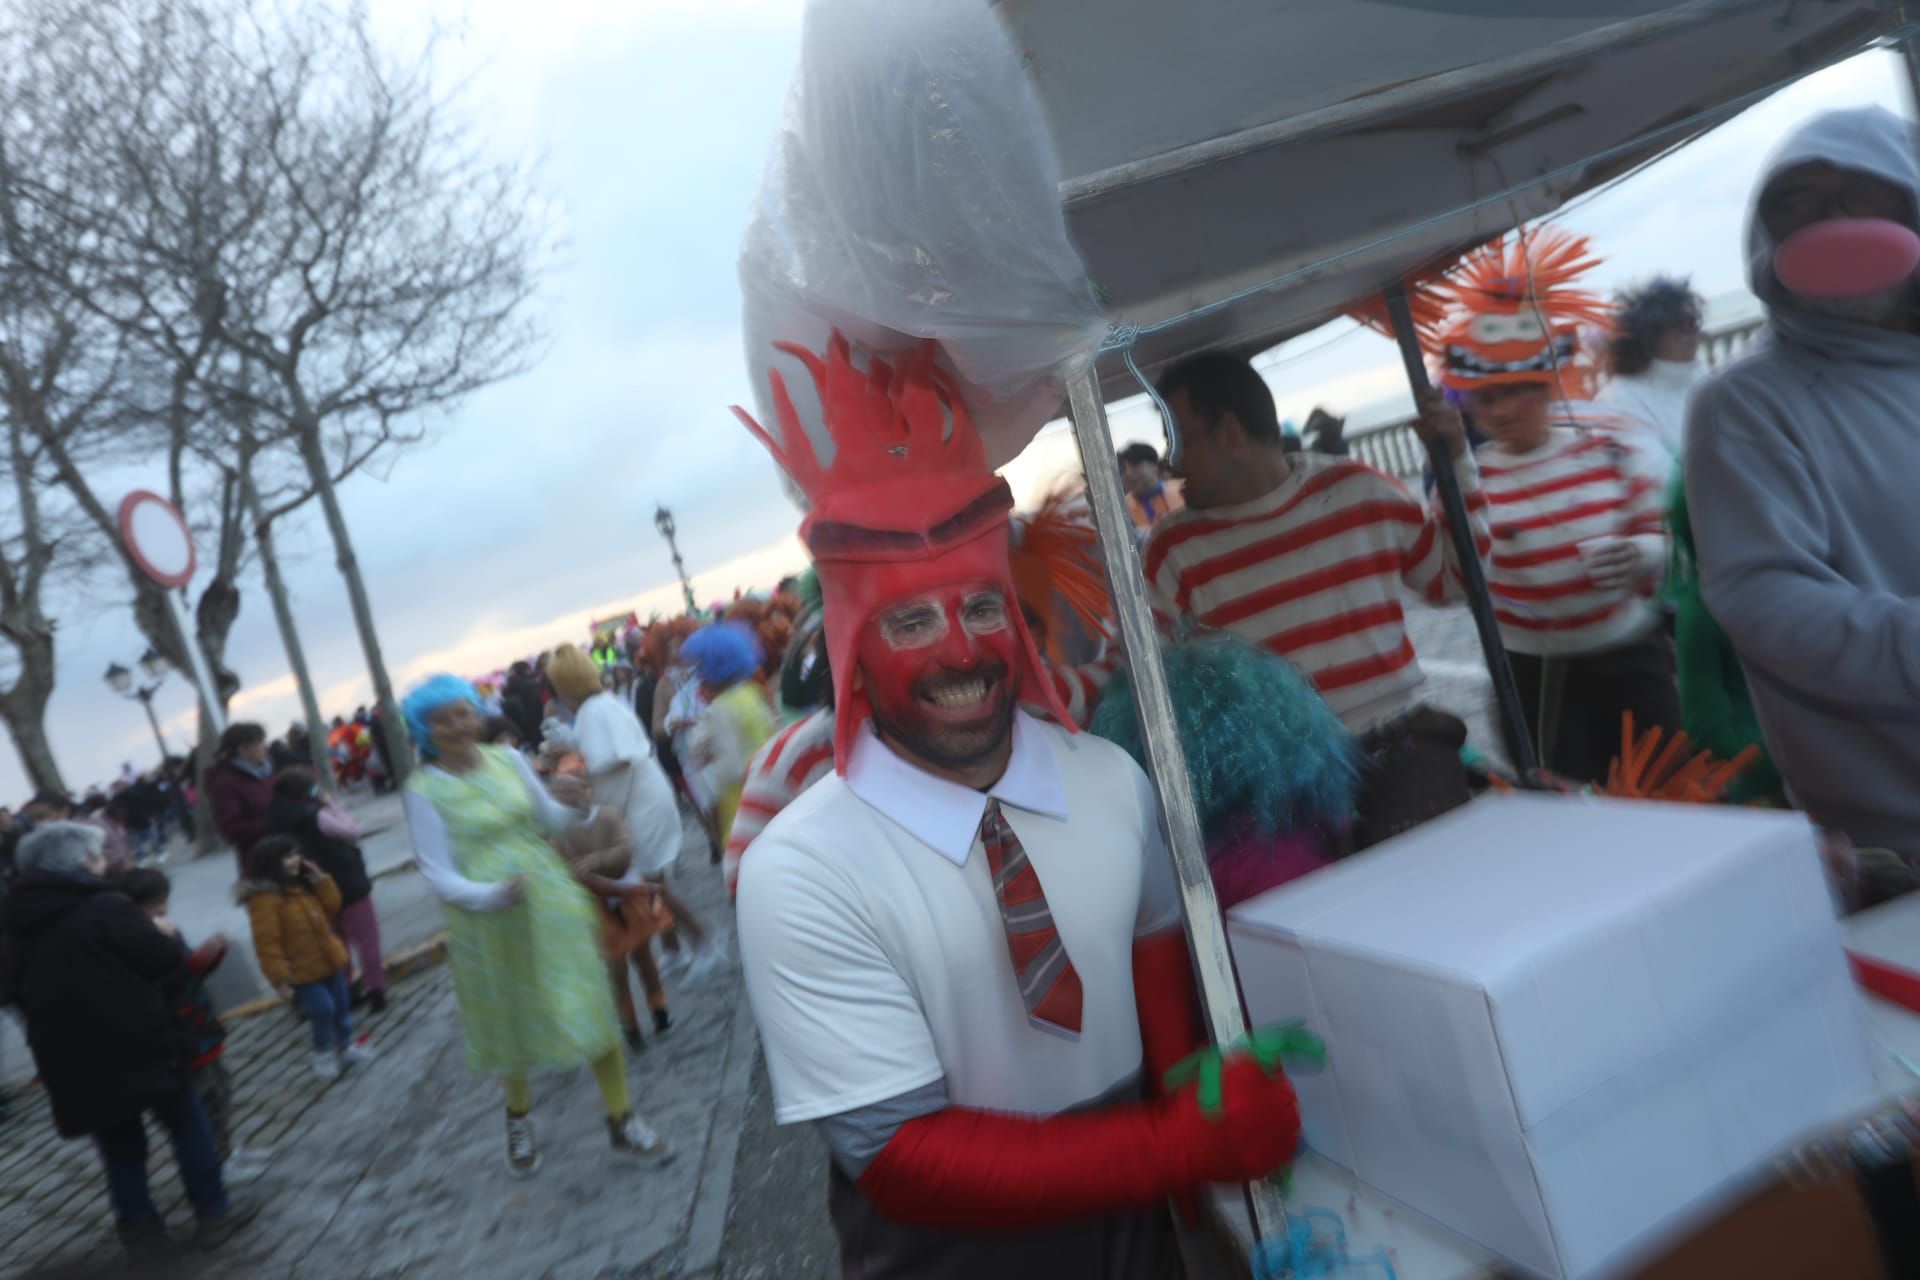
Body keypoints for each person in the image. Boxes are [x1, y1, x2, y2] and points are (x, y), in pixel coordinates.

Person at [732, 334, 1302, 1276]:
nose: (961, 652)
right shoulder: (800, 871)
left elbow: (1153, 938)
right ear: (852, 654)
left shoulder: (1111, 778)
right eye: (911, 621)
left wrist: (1188, 1091)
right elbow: (899, 1156)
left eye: (983, 609)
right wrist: (1180, 1147)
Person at [1686, 104, 1920, 866]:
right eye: (1800, 201)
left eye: (1862, 191)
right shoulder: (1744, 400)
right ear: (1768, 233)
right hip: (1896, 824)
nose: (1833, 217)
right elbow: (1763, 598)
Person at [1145, 350, 1484, 847]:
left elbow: (1456, 580)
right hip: (1272, 780)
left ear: (1229, 434)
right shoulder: (1169, 552)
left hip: (1398, 740)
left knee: (1424, 867)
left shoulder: (1359, 491)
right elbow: (1153, 680)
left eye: (1177, 440)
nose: (1168, 463)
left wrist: (1456, 460)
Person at [1435, 226, 1681, 785]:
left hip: (1630, 652)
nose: (1500, 407)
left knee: (1671, 784)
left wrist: (1643, 552)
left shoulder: (1608, 444)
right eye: (1485, 396)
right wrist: (1451, 465)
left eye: (1516, 388)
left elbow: (1665, 536)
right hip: (1537, 676)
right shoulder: (1470, 479)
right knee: (1570, 795)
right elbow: (1452, 569)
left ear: (1547, 385)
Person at [400, 675, 668, 1176]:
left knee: (588, 1000)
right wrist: (489, 895)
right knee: (509, 1017)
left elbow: (547, 819)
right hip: (487, 922)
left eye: (465, 712)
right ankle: (519, 1119)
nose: (459, 724)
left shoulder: (508, 759)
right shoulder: (423, 790)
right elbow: (436, 870)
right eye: (444, 718)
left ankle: (622, 1118)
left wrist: (577, 807)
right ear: (424, 729)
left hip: (547, 901)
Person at [0, 822, 256, 1255]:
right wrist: (168, 935)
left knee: (121, 1145)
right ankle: (214, 1212)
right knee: (185, 1122)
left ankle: (140, 1232)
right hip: (139, 1040)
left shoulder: (13, 923)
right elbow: (159, 962)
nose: (105, 863)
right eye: (98, 856)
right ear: (79, 862)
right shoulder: (106, 905)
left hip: (69, 1054)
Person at [546, 644, 695, 1030]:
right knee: (648, 878)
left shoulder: (594, 712)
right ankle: (676, 946)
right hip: (643, 795)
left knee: (646, 881)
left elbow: (611, 762)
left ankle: (698, 940)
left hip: (637, 801)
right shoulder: (600, 706)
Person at [116, 868, 270, 1183]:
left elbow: (190, 973)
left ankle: (227, 1148)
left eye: (163, 901)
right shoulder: (137, 942)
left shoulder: (167, 930)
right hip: (180, 1035)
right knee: (205, 1098)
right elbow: (166, 984)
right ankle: (217, 1160)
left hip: (199, 1025)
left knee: (222, 1089)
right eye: (152, 905)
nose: (161, 910)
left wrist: (210, 956)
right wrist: (194, 961)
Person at [238, 835, 372, 1081]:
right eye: (287, 857)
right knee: (323, 1009)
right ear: (270, 863)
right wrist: (279, 978)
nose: (294, 861)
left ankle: (346, 1045)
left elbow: (332, 906)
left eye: (295, 854)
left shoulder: (302, 887)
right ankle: (322, 1052)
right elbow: (267, 943)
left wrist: (321, 880)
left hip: (329, 959)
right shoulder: (265, 901)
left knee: (341, 1005)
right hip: (301, 969)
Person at [268, 769, 387, 1014]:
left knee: (335, 943)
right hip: (347, 883)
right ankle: (376, 990)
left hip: (314, 890)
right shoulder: (317, 816)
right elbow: (352, 832)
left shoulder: (275, 823)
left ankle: (345, 991)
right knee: (367, 940)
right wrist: (332, 804)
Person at [681, 622, 778, 853]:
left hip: (741, 813)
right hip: (771, 795)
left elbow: (724, 773)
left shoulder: (718, 712)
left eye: (699, 666)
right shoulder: (750, 693)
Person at [1599, 276, 1706, 476]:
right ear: (1648, 335)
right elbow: (1657, 477)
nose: (1693, 331)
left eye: (1694, 321)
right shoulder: (1618, 400)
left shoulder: (1700, 375)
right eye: (1681, 325)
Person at [204, 722, 277, 873]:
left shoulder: (267, 772)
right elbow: (230, 828)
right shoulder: (225, 783)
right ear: (242, 749)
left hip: (289, 852)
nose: (265, 747)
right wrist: (274, 821)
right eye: (259, 743)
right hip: (262, 861)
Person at [24, 789, 135, 877]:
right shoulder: (55, 836)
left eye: (41, 817)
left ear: (63, 810)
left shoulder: (88, 825)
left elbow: (117, 855)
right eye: (32, 819)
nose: (36, 824)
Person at [1117, 441, 1183, 532]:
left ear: (1154, 466)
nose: (1128, 473)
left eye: (1135, 465)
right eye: (1123, 469)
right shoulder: (1120, 509)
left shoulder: (1184, 490)